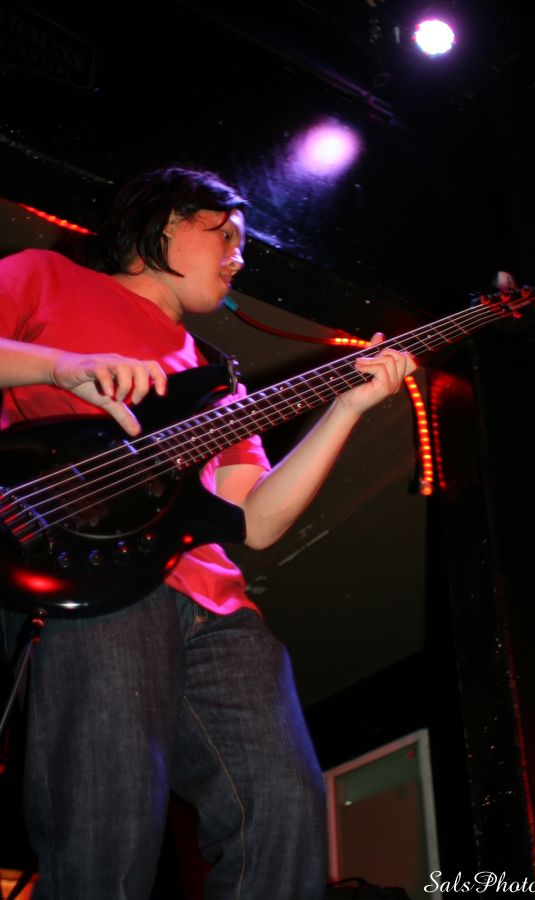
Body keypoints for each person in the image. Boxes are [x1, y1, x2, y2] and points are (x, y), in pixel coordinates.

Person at [0, 166, 415, 900]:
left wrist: (346, 410)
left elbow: (255, 521)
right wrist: (63, 368)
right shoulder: (46, 276)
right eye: (224, 234)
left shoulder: (217, 378)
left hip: (219, 609)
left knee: (283, 808)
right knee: (110, 816)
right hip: (98, 579)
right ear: (162, 223)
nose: (238, 256)